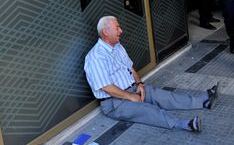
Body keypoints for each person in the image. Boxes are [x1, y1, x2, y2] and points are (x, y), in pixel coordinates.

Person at [84, 16, 219, 132]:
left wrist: (140, 84)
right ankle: (184, 124)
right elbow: (106, 87)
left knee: (165, 96)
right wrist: (130, 96)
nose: (121, 31)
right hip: (114, 102)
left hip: (132, 89)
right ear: (105, 32)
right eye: (117, 28)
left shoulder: (117, 46)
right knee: (148, 110)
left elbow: (131, 68)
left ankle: (203, 101)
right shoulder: (95, 57)